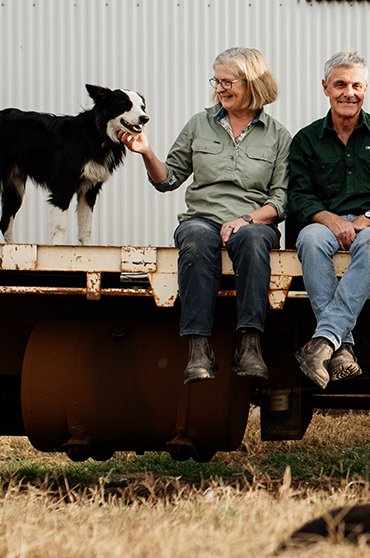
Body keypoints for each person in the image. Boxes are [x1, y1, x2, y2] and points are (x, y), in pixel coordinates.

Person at [122, 47, 290, 384]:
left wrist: (247, 219)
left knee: (255, 241)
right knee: (197, 239)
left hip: (253, 221)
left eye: (228, 81)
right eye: (217, 80)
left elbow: (281, 200)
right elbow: (167, 179)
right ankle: (198, 348)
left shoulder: (278, 135)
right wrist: (146, 152)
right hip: (203, 217)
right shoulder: (199, 124)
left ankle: (249, 345)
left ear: (253, 83)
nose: (220, 88)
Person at [288, 50, 370, 389]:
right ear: (325, 87)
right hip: (323, 224)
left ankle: (323, 341)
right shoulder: (306, 140)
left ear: (366, 89)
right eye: (340, 84)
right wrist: (330, 220)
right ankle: (341, 348)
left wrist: (367, 218)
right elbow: (297, 196)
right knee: (310, 240)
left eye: (356, 85)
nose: (349, 92)